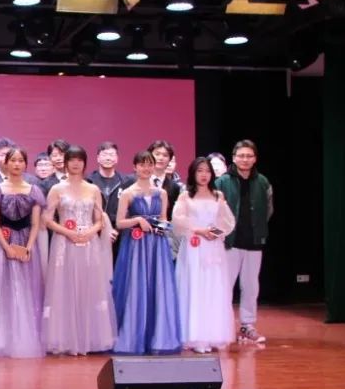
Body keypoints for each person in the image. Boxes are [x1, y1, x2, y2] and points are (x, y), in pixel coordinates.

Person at [42, 146, 117, 355]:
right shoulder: (57, 189)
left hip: (89, 244)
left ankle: (88, 338)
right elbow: (47, 218)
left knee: (88, 287)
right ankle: (65, 339)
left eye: (79, 160)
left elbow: (100, 219)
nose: (75, 163)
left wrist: (90, 232)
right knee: (64, 288)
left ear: (85, 163)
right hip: (64, 244)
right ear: (65, 163)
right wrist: (68, 232)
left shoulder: (92, 189)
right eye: (72, 159)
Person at [112, 151, 182, 355]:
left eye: (149, 164)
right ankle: (134, 337)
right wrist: (137, 220)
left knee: (157, 287)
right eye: (142, 165)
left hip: (157, 245)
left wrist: (162, 226)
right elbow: (119, 222)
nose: (146, 168)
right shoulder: (128, 193)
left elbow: (164, 219)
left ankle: (157, 337)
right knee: (136, 287)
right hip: (136, 246)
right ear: (135, 167)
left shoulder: (161, 193)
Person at [0, 147, 46, 358]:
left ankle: (24, 338)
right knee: (2, 289)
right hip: (2, 244)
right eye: (13, 160)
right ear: (5, 163)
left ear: (25, 164)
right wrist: (7, 247)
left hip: (26, 242)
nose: (17, 164)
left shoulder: (34, 190)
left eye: (20, 160)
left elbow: (35, 223)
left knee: (26, 290)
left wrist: (28, 247)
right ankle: (0, 339)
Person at [174, 157, 237, 353]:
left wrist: (214, 233)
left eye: (207, 171)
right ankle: (194, 335)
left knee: (213, 287)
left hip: (213, 247)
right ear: (193, 173)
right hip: (193, 247)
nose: (204, 175)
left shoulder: (218, 195)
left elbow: (227, 222)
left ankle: (212, 334)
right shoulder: (185, 196)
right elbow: (178, 220)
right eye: (199, 171)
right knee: (194, 287)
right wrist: (200, 230)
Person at [214, 140, 273, 344]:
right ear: (233, 158)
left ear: (255, 158)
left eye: (249, 156)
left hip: (254, 242)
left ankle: (247, 325)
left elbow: (269, 209)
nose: (245, 159)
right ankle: (222, 327)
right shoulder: (222, 182)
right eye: (241, 155)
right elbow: (214, 211)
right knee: (225, 286)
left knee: (251, 286)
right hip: (230, 243)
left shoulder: (262, 182)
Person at [87, 141, 133, 252]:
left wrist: (117, 230)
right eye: (104, 155)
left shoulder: (126, 182)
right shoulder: (88, 181)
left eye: (111, 155)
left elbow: (130, 209)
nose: (108, 158)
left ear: (117, 159)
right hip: (93, 232)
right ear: (98, 158)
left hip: (119, 234)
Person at [148, 140, 182, 217]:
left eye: (165, 155)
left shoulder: (174, 187)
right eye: (157, 154)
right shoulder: (134, 180)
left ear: (170, 159)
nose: (161, 158)